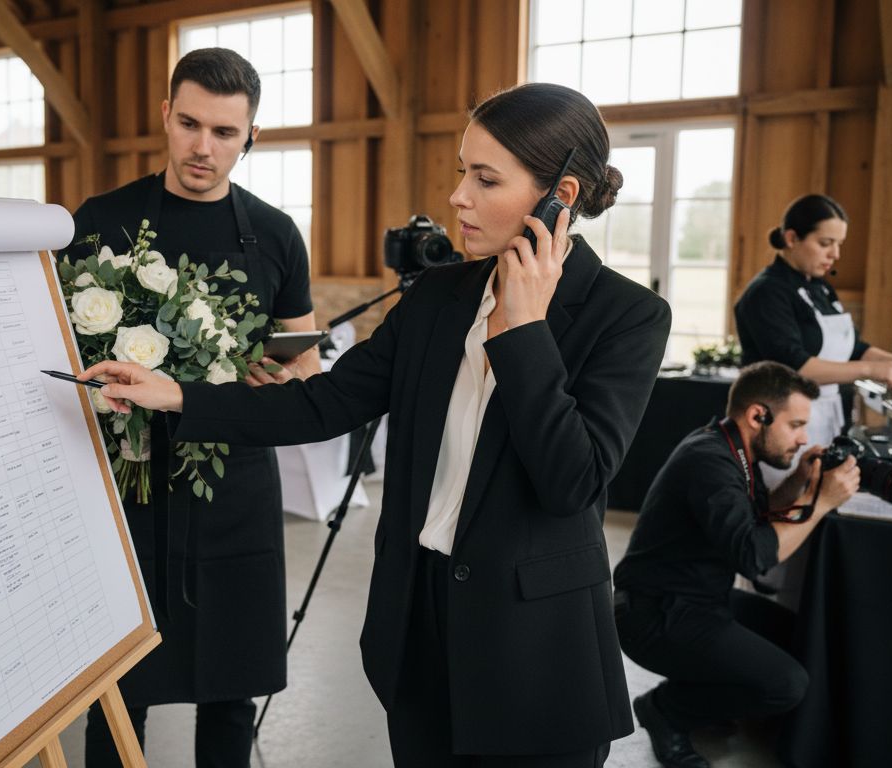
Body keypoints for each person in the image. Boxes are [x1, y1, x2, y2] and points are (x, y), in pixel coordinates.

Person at [80, 82, 672, 767]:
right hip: (416, 630)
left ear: (559, 196)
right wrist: (176, 395)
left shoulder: (627, 316)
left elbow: (572, 480)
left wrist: (525, 329)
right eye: (461, 172)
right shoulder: (440, 297)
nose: (458, 197)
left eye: (485, 179)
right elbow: (321, 403)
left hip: (536, 651)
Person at [58, 47, 321, 768]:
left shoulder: (274, 234)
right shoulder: (100, 222)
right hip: (125, 482)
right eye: (190, 123)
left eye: (225, 133)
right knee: (120, 684)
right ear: (165, 116)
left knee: (233, 687)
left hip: (233, 485)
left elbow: (305, 360)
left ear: (251, 137)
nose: (203, 147)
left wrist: (288, 375)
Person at [612, 361, 860, 768]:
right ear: (757, 415)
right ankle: (667, 709)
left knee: (802, 637)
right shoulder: (709, 461)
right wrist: (823, 504)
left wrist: (799, 482)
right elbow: (754, 555)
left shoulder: (731, 448)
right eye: (796, 425)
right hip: (653, 615)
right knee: (787, 684)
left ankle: (707, 689)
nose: (803, 439)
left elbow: (755, 521)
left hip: (699, 598)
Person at [734, 193, 892, 482]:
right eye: (825, 243)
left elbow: (855, 348)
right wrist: (871, 371)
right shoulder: (767, 293)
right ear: (792, 238)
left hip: (828, 419)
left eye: (839, 244)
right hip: (779, 427)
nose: (835, 254)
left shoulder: (821, 289)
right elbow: (796, 367)